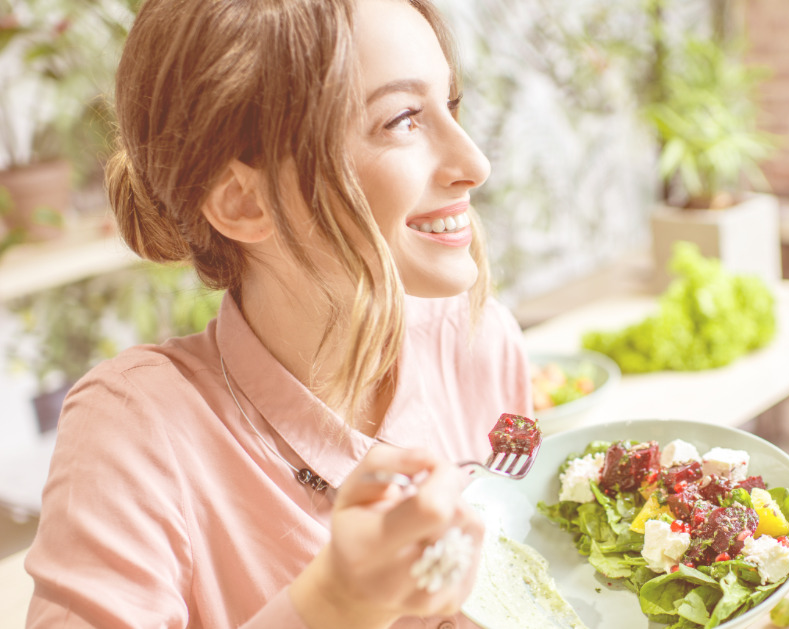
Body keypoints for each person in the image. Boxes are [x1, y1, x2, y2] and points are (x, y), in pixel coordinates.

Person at [23, 0, 532, 627]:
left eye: (450, 105)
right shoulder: (135, 429)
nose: (475, 164)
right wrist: (335, 604)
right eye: (402, 119)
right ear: (243, 202)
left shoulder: (479, 340)